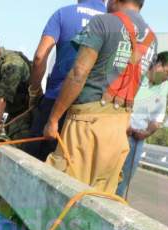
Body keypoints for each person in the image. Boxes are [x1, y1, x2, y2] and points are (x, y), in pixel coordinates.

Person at [43, 0, 157, 192]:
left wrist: (53, 120)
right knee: (98, 200)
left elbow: (78, 73)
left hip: (87, 126)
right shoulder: (152, 39)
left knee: (64, 194)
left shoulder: (103, 22)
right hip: (119, 129)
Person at [25, 0, 107, 161]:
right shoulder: (114, 24)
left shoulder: (64, 13)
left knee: (33, 162)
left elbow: (39, 57)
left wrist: (34, 91)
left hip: (55, 101)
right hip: (90, 111)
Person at [116, 51, 168, 198]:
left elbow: (157, 120)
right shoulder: (135, 79)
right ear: (158, 65)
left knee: (123, 183)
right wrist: (125, 125)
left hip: (136, 142)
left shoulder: (161, 92)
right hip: (118, 134)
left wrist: (146, 133)